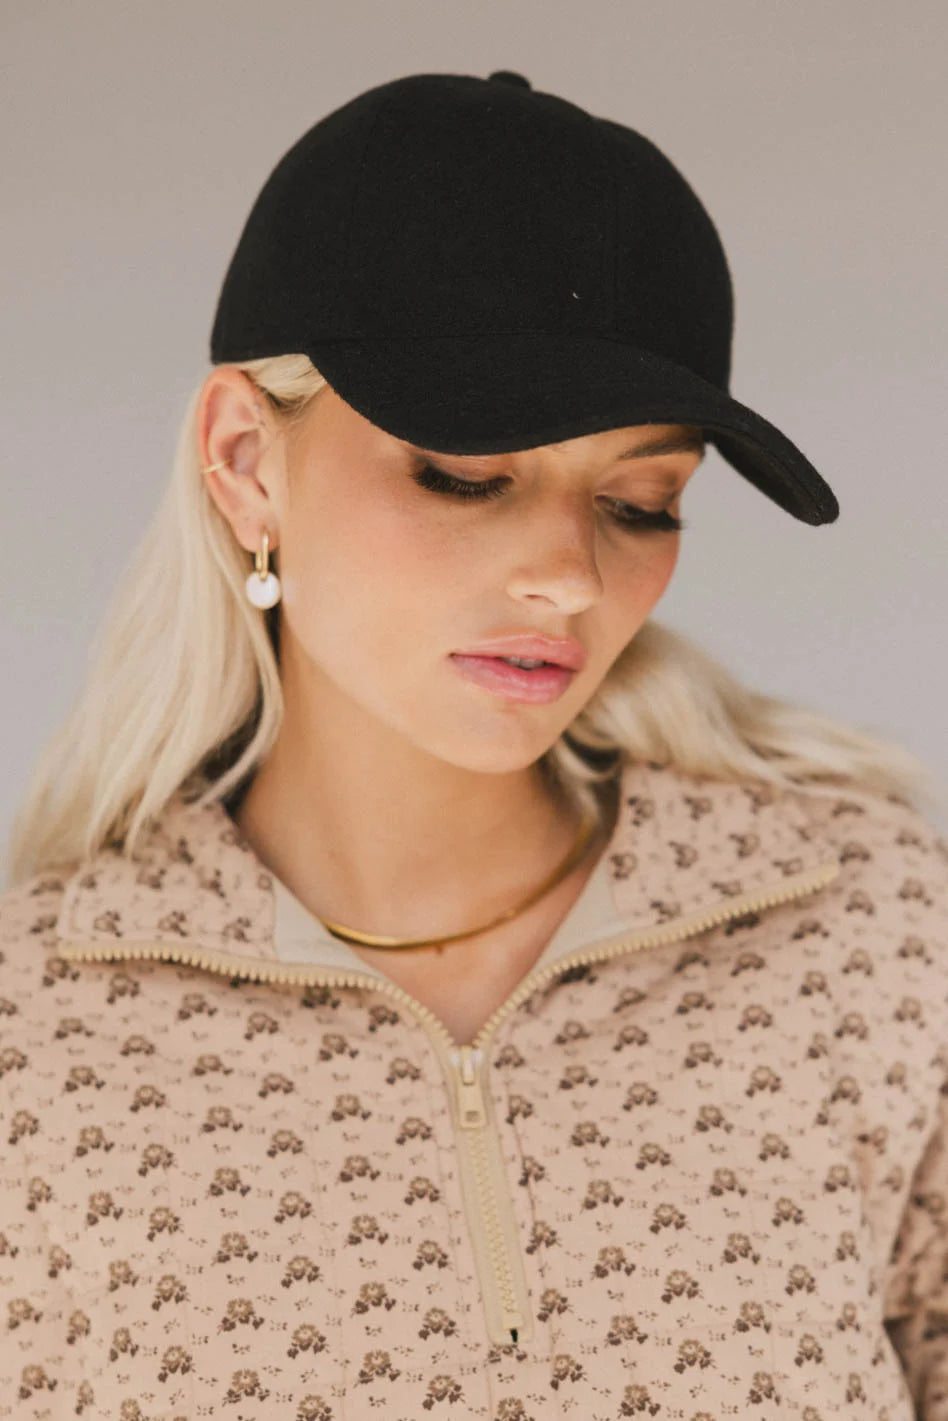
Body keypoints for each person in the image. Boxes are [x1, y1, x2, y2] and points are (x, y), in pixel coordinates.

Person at [2, 69, 946, 1420]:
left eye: (641, 500)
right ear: (247, 462)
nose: (568, 574)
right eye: (466, 473)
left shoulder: (875, 935)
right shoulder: (35, 1030)